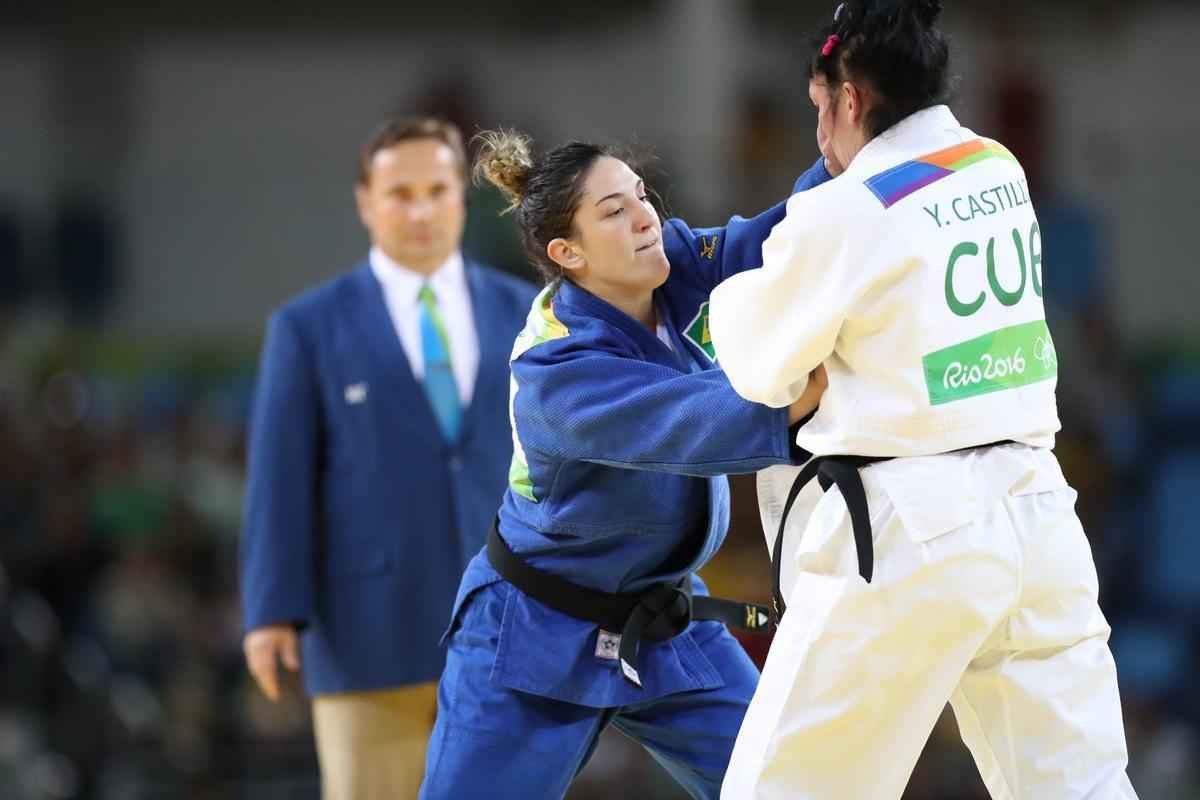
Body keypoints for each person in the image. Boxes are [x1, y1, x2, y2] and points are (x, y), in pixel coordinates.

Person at [707, 2, 1139, 798]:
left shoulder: (843, 208)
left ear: (848, 98)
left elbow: (758, 364)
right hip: (1037, 517)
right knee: (1079, 785)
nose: (818, 139)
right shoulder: (996, 166)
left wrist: (742, 286)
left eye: (817, 110)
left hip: (912, 531)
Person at [416, 131, 832, 800]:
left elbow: (767, 239)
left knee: (791, 788)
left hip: (664, 615)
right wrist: (799, 394)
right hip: (534, 632)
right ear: (567, 253)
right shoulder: (555, 369)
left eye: (642, 196)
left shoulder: (653, 266)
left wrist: (850, 159)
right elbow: (683, 417)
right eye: (614, 211)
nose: (645, 217)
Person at [239, 117, 537, 799]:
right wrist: (269, 611)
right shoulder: (308, 327)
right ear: (365, 202)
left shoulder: (528, 313)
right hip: (366, 632)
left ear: (463, 198)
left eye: (438, 189)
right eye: (400, 193)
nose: (422, 208)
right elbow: (279, 481)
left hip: (511, 630)